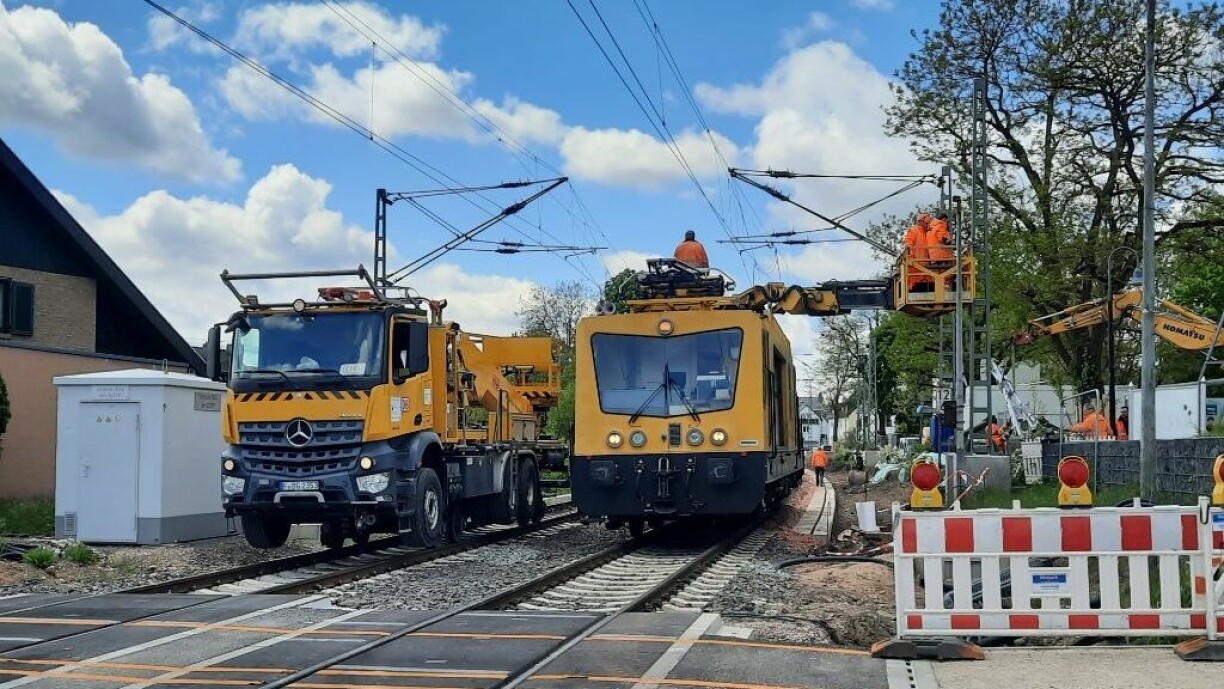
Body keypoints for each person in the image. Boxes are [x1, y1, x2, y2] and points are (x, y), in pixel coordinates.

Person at [903, 214, 932, 291]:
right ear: (921, 221)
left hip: (927, 272)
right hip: (916, 272)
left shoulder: (928, 234)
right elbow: (908, 245)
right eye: (927, 222)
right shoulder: (913, 231)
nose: (928, 225)